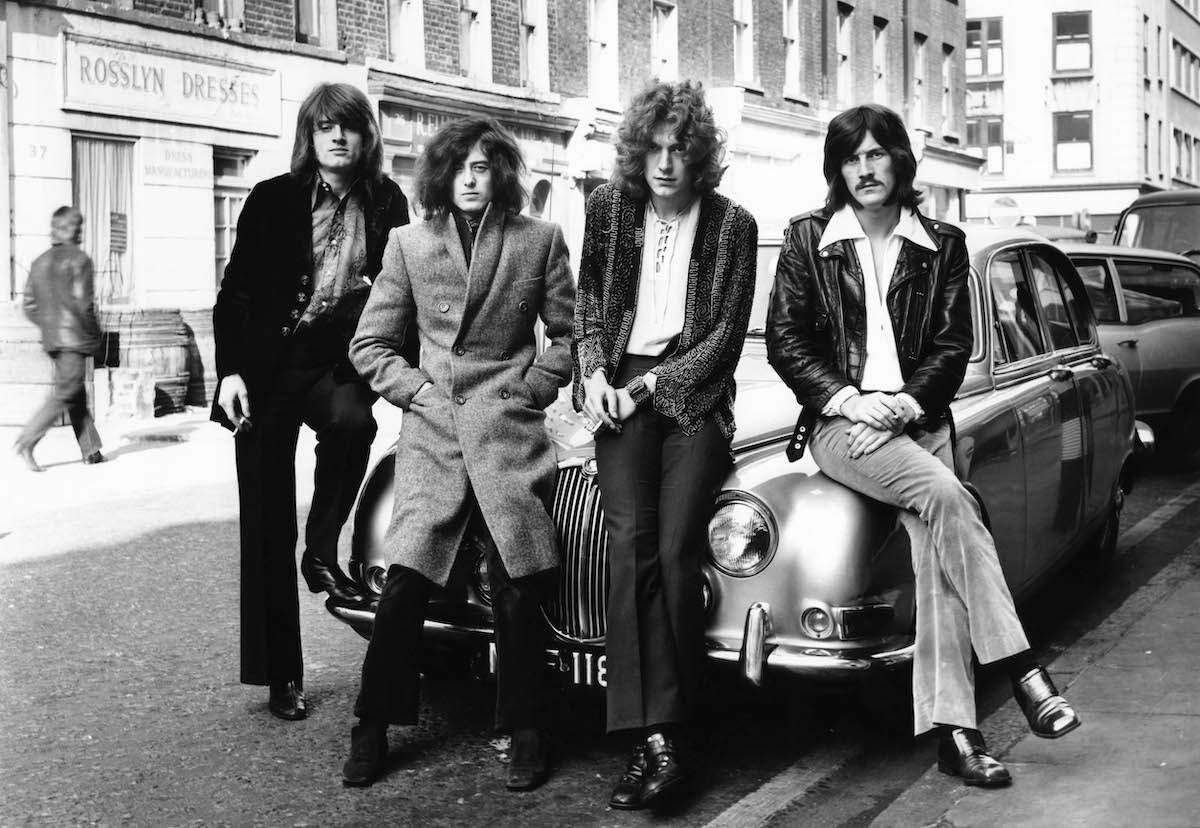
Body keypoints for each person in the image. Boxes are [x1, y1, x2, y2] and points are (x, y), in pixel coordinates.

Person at [766, 104, 1080, 788]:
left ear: (900, 161)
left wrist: (906, 403)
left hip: (920, 422)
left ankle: (957, 735)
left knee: (936, 558)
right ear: (837, 169)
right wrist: (850, 399)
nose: (865, 169)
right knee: (949, 497)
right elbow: (788, 341)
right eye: (851, 158)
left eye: (876, 154)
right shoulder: (808, 239)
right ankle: (1023, 669)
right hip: (844, 428)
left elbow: (951, 344)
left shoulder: (942, 243)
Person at [341, 117, 574, 790]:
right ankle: (372, 726)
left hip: (506, 432)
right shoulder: (408, 244)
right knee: (404, 581)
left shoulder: (539, 240)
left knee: (518, 579)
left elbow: (571, 334)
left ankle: (526, 729)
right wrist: (416, 392)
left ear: (501, 173)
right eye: (459, 168)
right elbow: (370, 345)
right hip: (436, 434)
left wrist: (531, 389)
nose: (470, 180)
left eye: (483, 167)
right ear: (440, 176)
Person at [573, 80, 758, 810]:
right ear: (636, 152)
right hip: (618, 393)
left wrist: (649, 387)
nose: (666, 162)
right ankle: (651, 741)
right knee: (631, 547)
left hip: (692, 400)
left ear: (700, 155)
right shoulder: (608, 209)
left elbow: (724, 340)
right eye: (653, 148)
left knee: (677, 551)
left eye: (680, 148)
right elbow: (590, 305)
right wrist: (595, 376)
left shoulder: (733, 225)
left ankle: (671, 734)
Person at [212, 82, 411, 722]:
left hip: (334, 364)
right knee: (266, 521)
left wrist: (414, 372)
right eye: (326, 126)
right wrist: (230, 371)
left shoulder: (387, 201)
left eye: (348, 126)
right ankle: (282, 675)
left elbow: (402, 291)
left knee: (353, 423)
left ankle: (321, 548)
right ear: (310, 135)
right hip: (265, 372)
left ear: (365, 136)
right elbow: (236, 290)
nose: (338, 136)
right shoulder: (272, 198)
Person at [15, 206, 104, 472]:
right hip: (74, 340)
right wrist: (95, 336)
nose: (81, 232)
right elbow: (85, 306)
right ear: (69, 229)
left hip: (54, 341)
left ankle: (91, 449)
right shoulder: (80, 260)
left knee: (74, 391)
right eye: (79, 227)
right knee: (66, 392)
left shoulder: (39, 261)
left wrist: (50, 327)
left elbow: (29, 306)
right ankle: (27, 441)